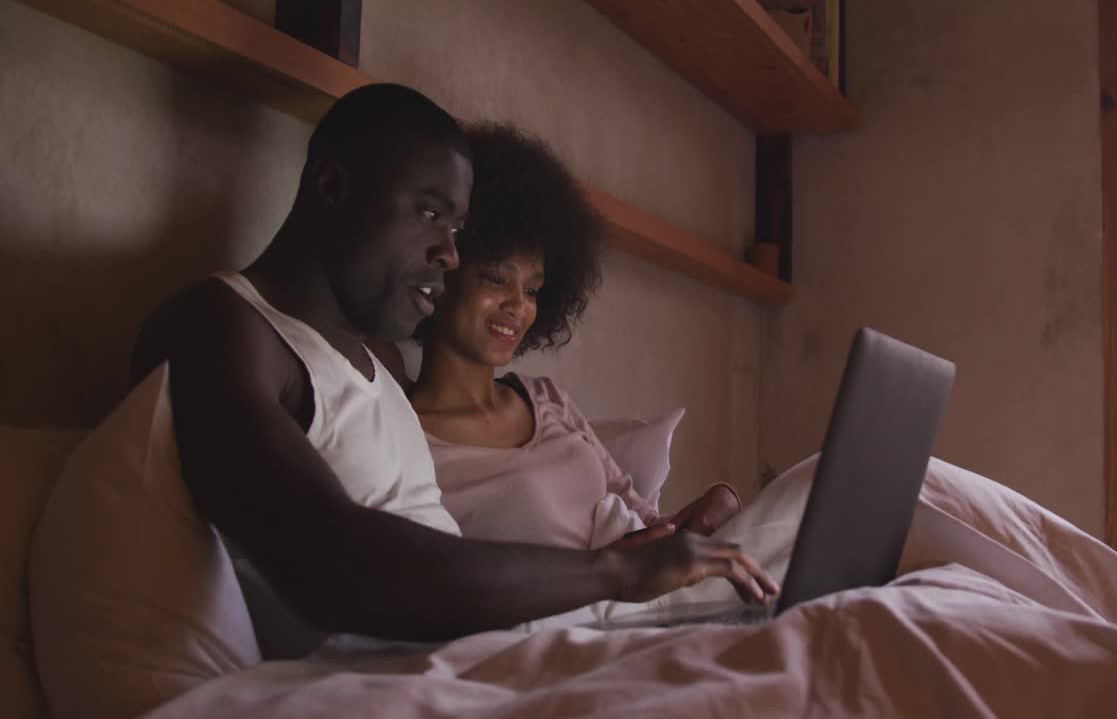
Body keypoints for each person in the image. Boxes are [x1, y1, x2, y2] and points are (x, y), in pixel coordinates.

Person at [31, 84, 777, 708]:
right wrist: (620, 571)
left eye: (457, 229)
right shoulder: (218, 327)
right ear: (332, 187)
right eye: (430, 214)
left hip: (478, 662)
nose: (449, 253)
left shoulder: (371, 364)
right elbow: (332, 567)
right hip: (406, 685)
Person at [405, 123, 743, 553]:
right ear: (442, 271)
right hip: (569, 614)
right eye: (496, 278)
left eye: (532, 290)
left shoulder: (547, 400)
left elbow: (647, 521)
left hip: (650, 597)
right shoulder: (406, 437)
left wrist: (720, 503)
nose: (517, 306)